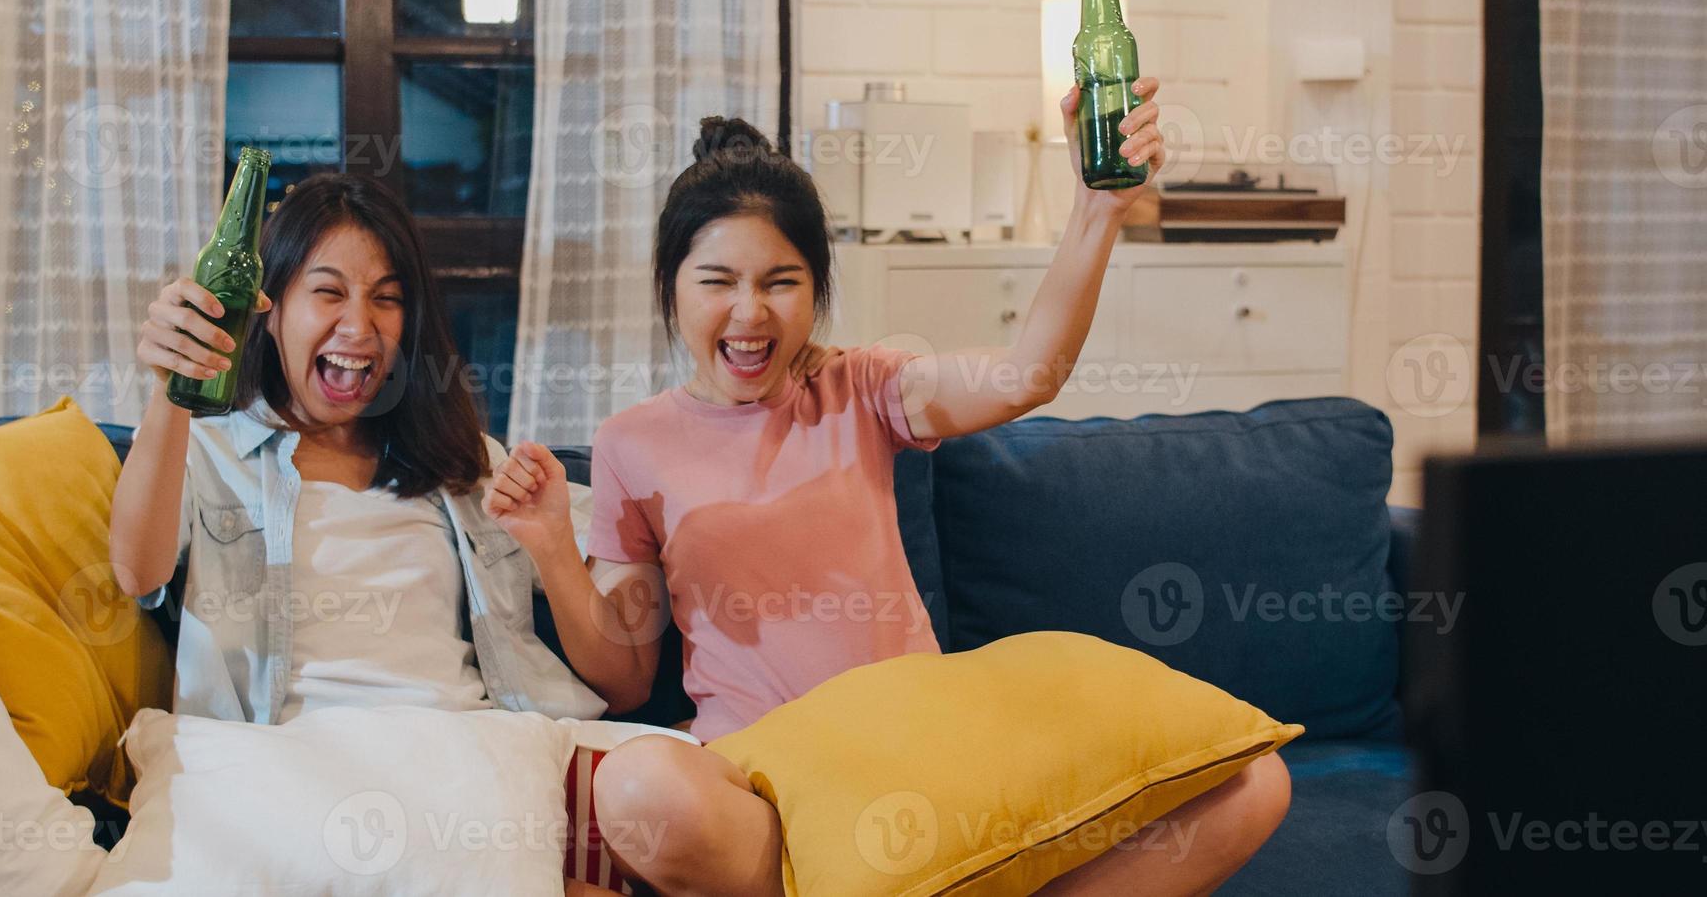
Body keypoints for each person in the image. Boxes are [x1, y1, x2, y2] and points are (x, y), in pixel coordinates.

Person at [484, 81, 1293, 896]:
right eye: (717, 281)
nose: (749, 312)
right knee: (637, 789)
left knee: (1252, 784)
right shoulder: (633, 444)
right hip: (771, 781)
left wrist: (1096, 211)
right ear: (672, 287)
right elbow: (625, 681)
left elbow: (1025, 377)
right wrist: (554, 542)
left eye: (781, 281)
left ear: (817, 288)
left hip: (924, 756)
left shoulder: (864, 388)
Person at [108, 172, 623, 896]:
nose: (359, 326)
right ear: (269, 307)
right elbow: (136, 571)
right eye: (328, 292)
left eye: (387, 297)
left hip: (462, 761)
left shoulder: (471, 466)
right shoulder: (204, 451)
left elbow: (618, 664)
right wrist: (174, 383)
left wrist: (566, 546)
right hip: (285, 771)